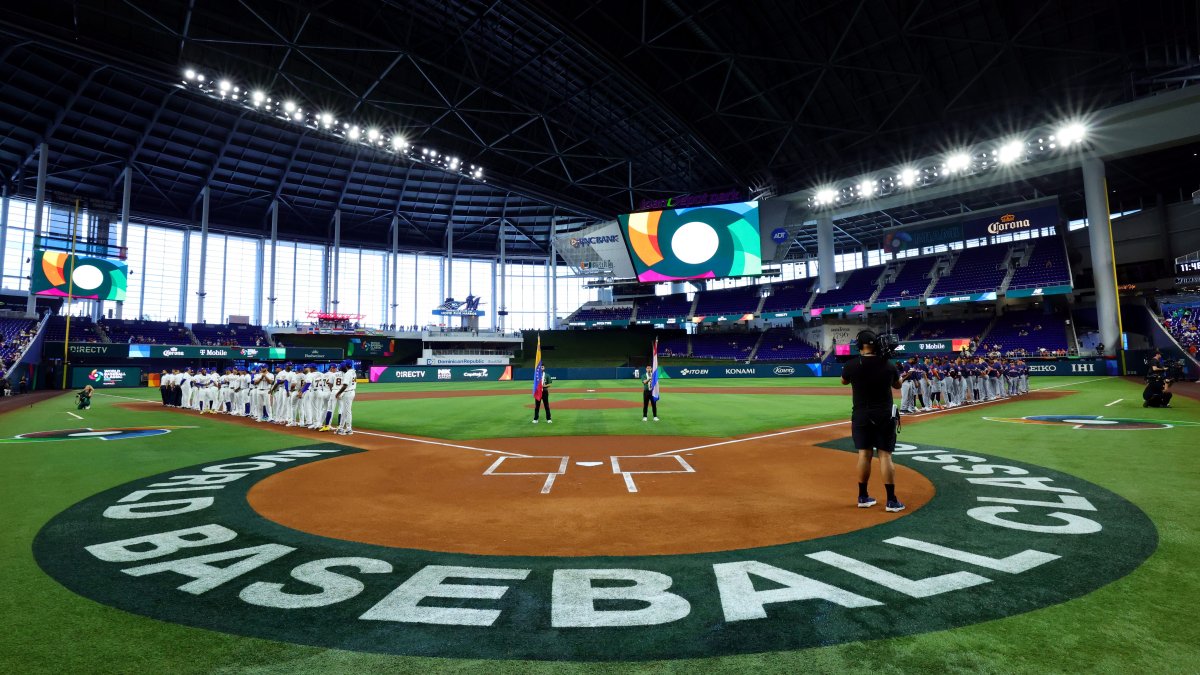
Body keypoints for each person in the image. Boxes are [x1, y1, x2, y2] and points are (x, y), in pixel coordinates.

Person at [840, 330, 904, 512]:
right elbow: (897, 385)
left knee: (864, 454)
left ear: (860, 346)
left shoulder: (851, 365)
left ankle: (863, 496)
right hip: (883, 414)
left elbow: (843, 381)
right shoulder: (888, 364)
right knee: (885, 455)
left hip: (861, 414)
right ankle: (891, 501)